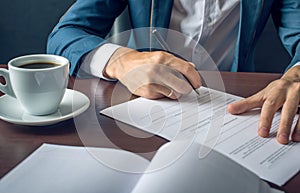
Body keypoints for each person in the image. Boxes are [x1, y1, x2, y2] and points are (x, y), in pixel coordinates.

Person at [47, 0, 300, 144]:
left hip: (235, 113)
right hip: (142, 114)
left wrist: (296, 74)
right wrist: (123, 61)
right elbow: (65, 35)